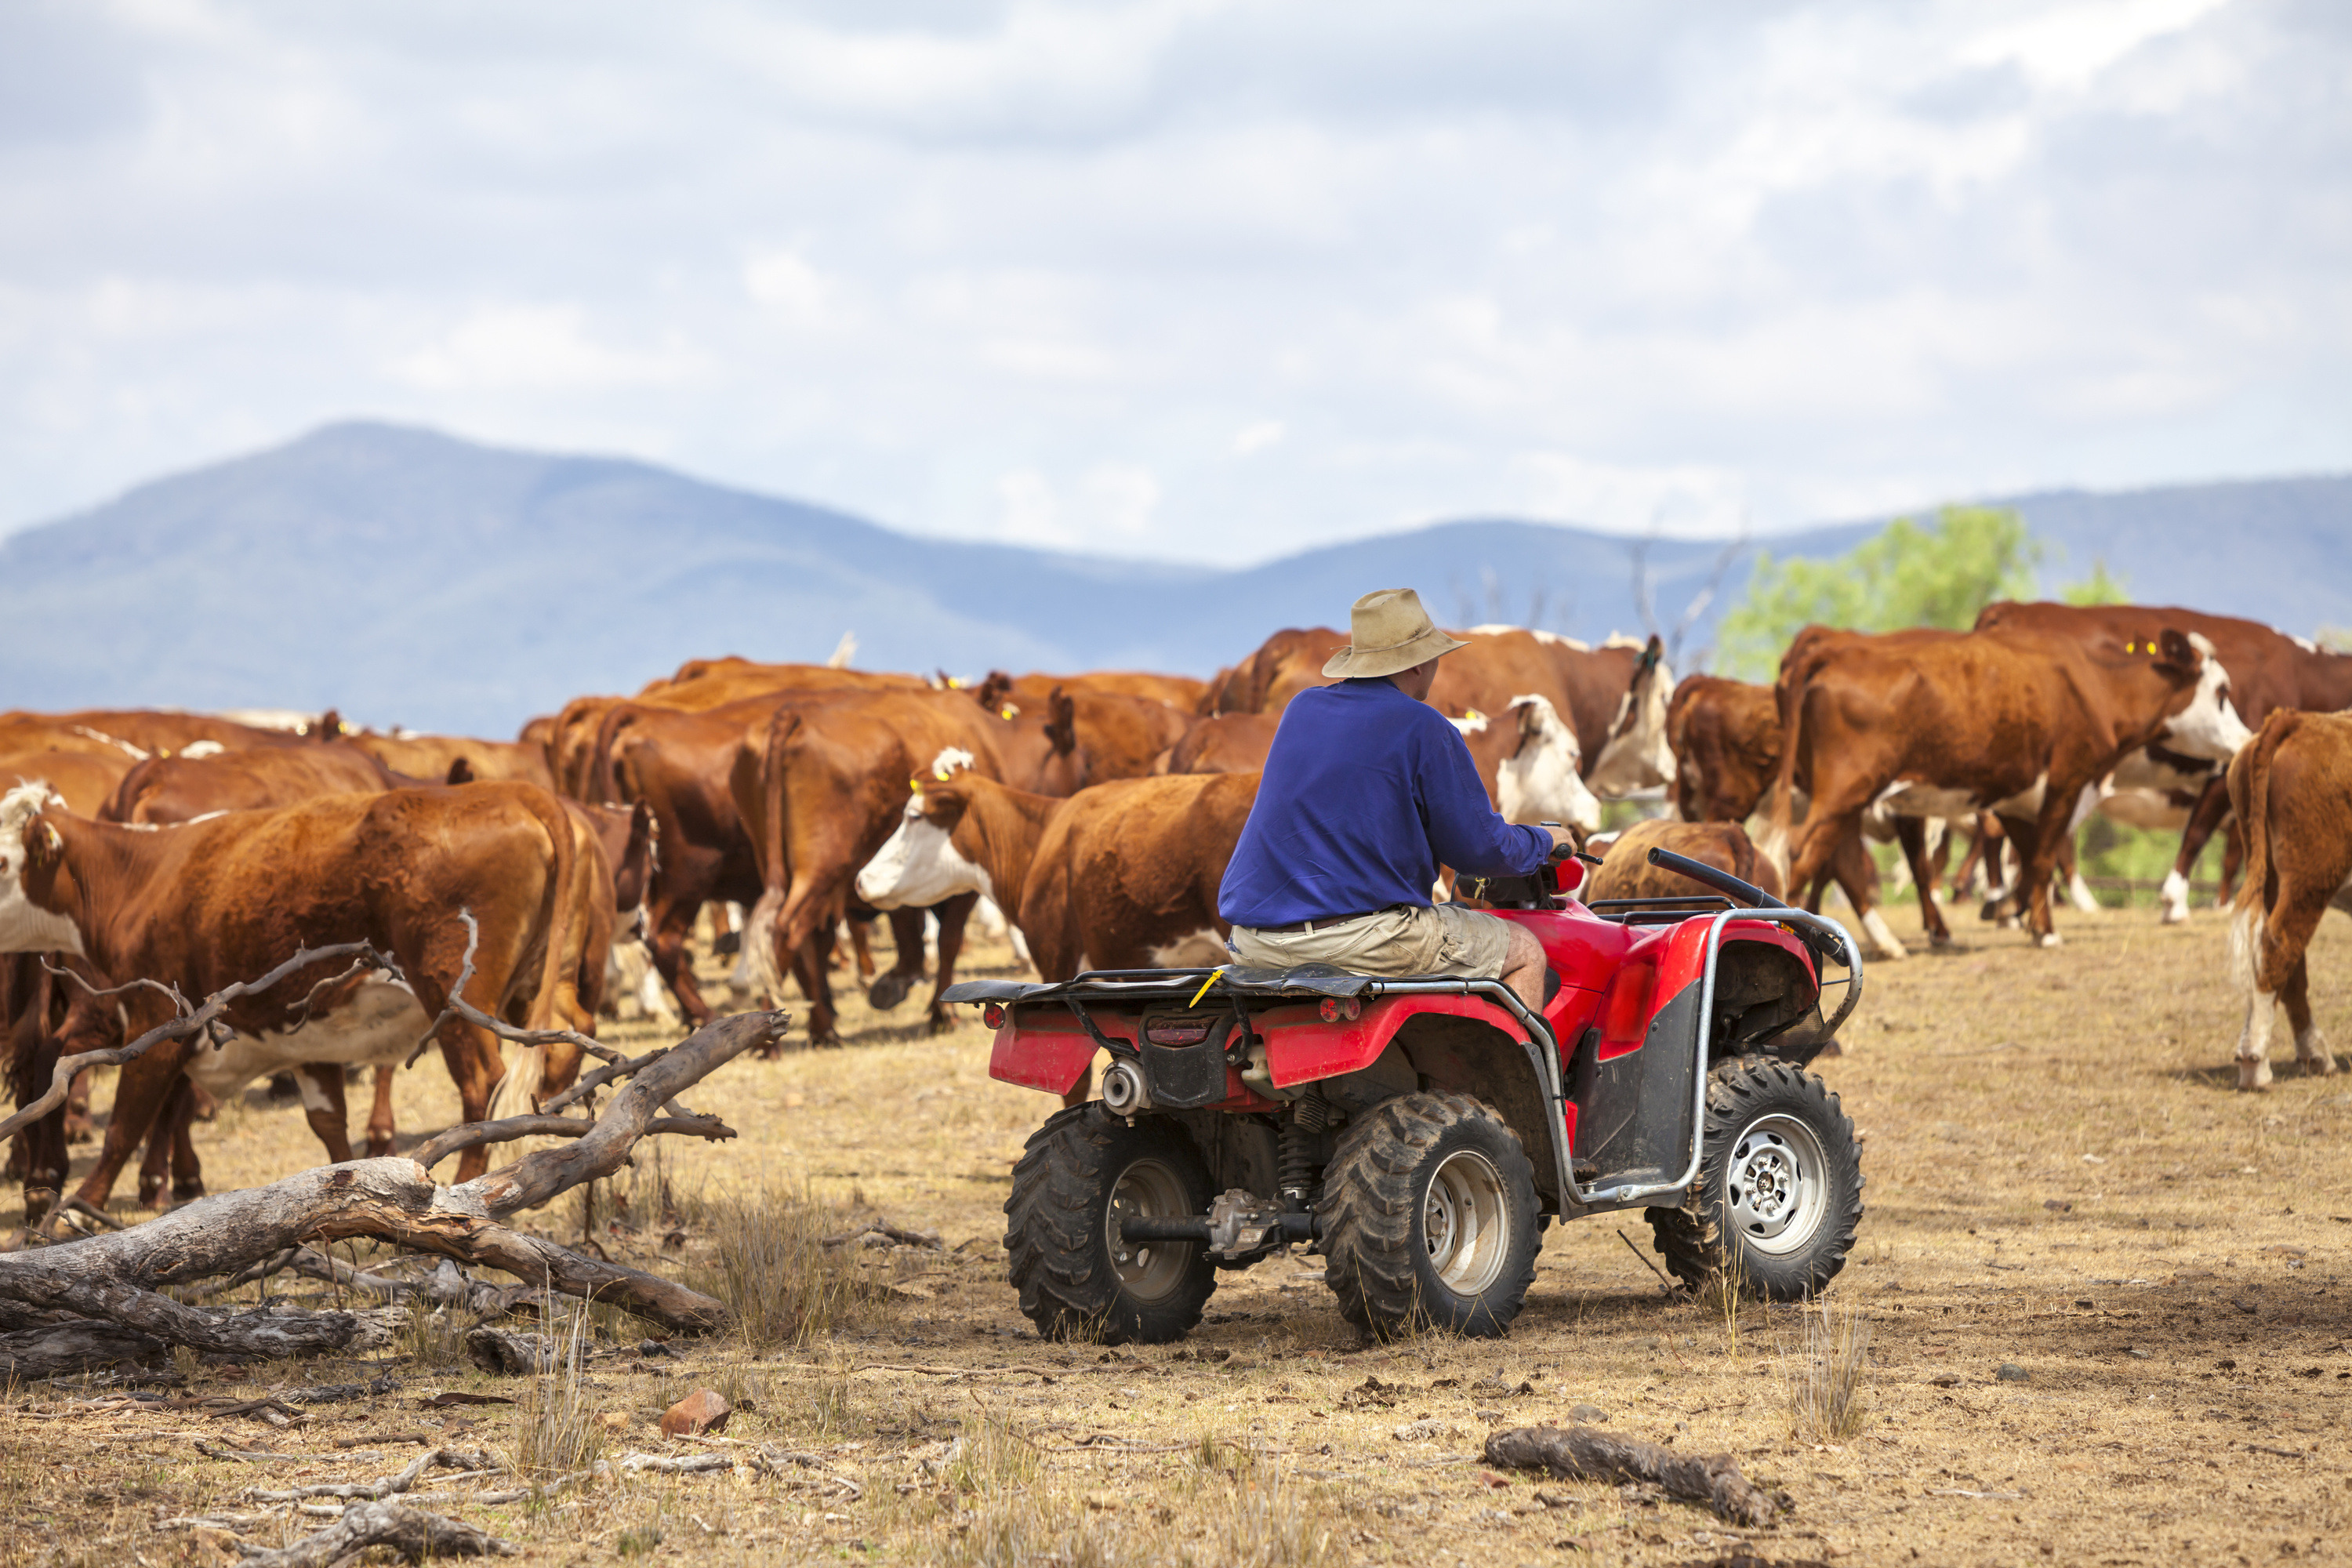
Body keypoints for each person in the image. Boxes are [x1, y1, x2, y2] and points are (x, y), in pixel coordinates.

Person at [1219, 587, 1573, 1013]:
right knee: (1524, 951)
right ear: (1422, 663)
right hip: (1357, 942)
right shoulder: (1424, 727)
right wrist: (1545, 840)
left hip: (1256, 941)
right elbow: (1480, 849)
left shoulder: (1303, 708)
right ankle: (1526, 1079)